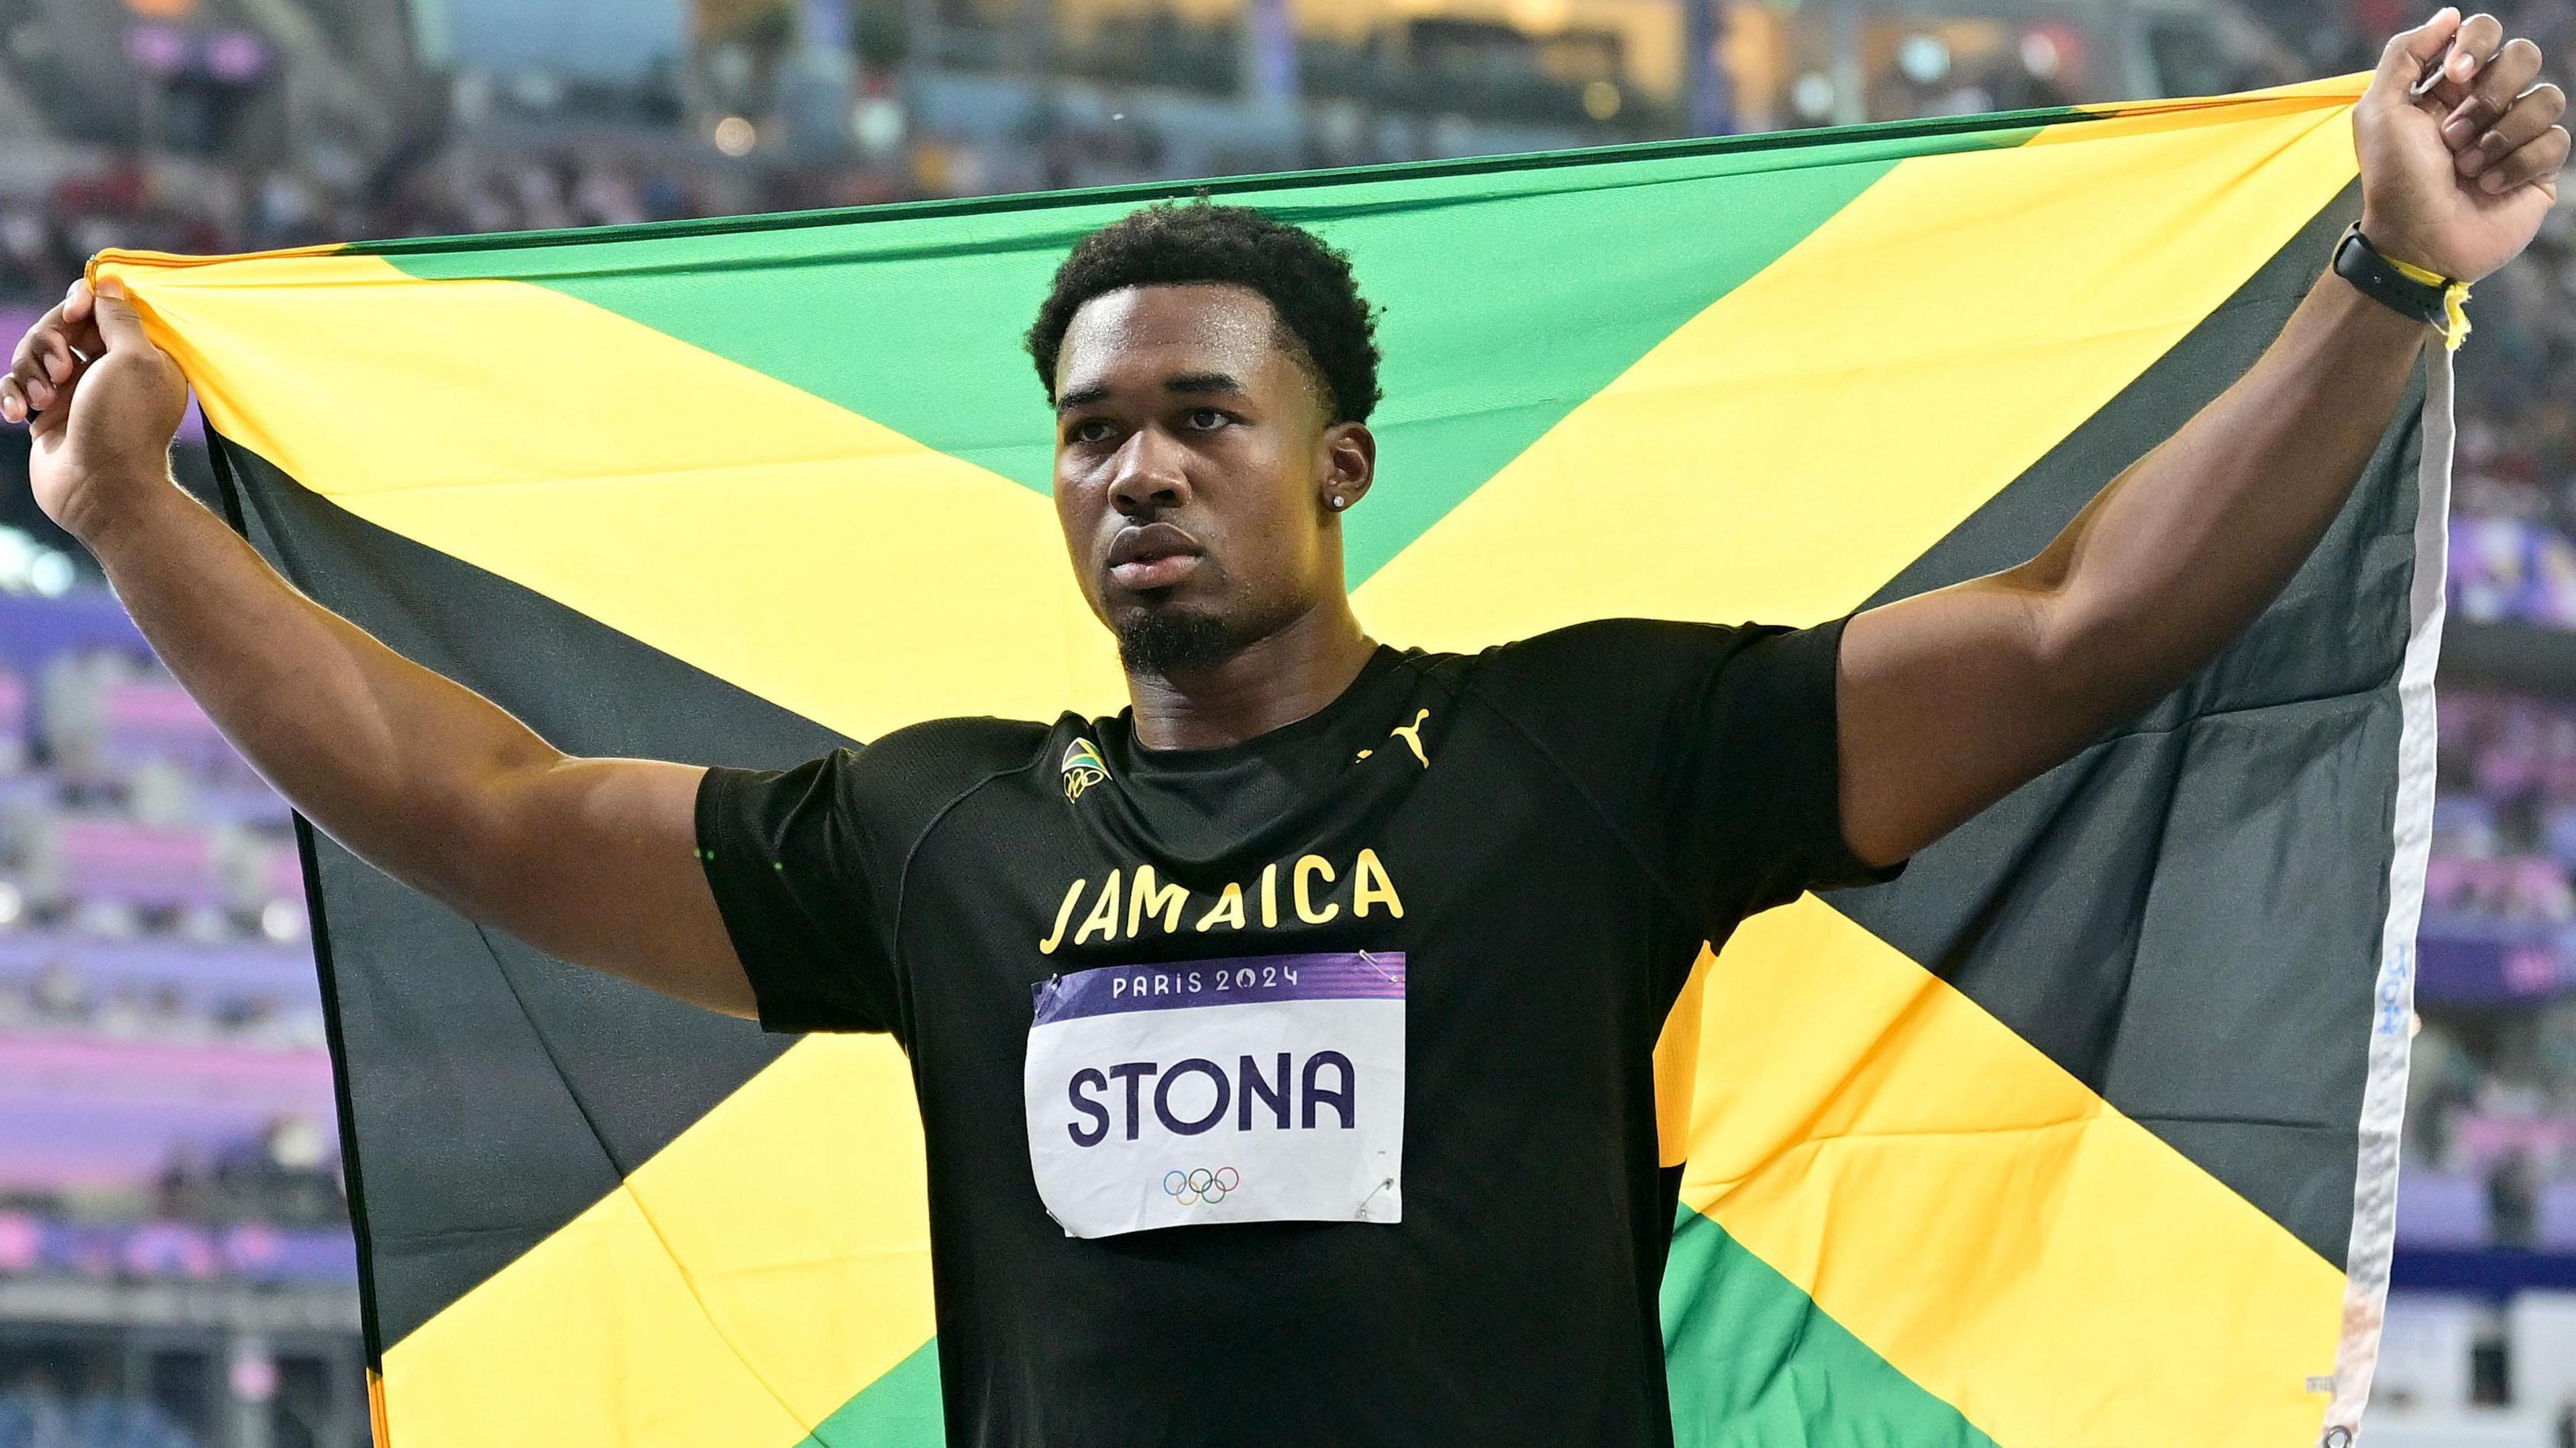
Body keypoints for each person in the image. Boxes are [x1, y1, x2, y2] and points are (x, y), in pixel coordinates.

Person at [0, 13, 2563, 1443]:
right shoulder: (938, 829)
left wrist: (2380, 273)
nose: (1135, 468)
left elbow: (2080, 624)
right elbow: (481, 805)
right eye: (1093, 429)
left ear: (1337, 465)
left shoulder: (1589, 759)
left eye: (1200, 418)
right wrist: (138, 522)